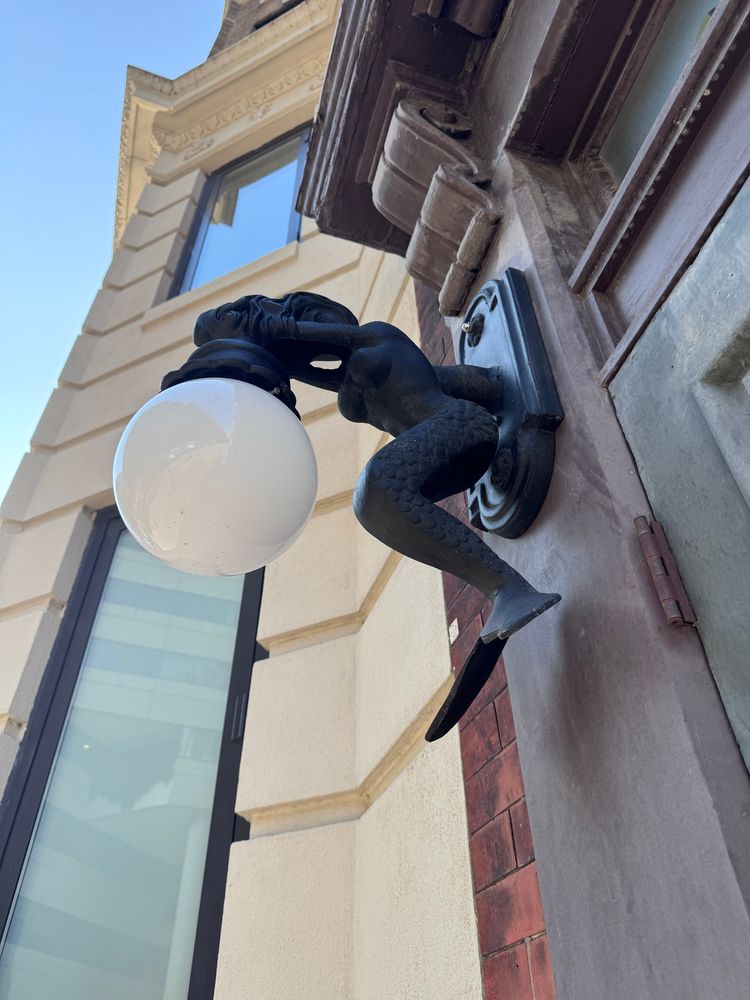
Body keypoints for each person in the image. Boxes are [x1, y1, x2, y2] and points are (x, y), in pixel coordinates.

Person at [194, 292, 560, 738]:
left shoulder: (375, 337)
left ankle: (508, 588)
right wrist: (266, 360)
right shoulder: (349, 382)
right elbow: (309, 362)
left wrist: (265, 328)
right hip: (445, 460)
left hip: (465, 427)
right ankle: (504, 589)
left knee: (375, 489)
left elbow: (321, 335)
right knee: (376, 500)